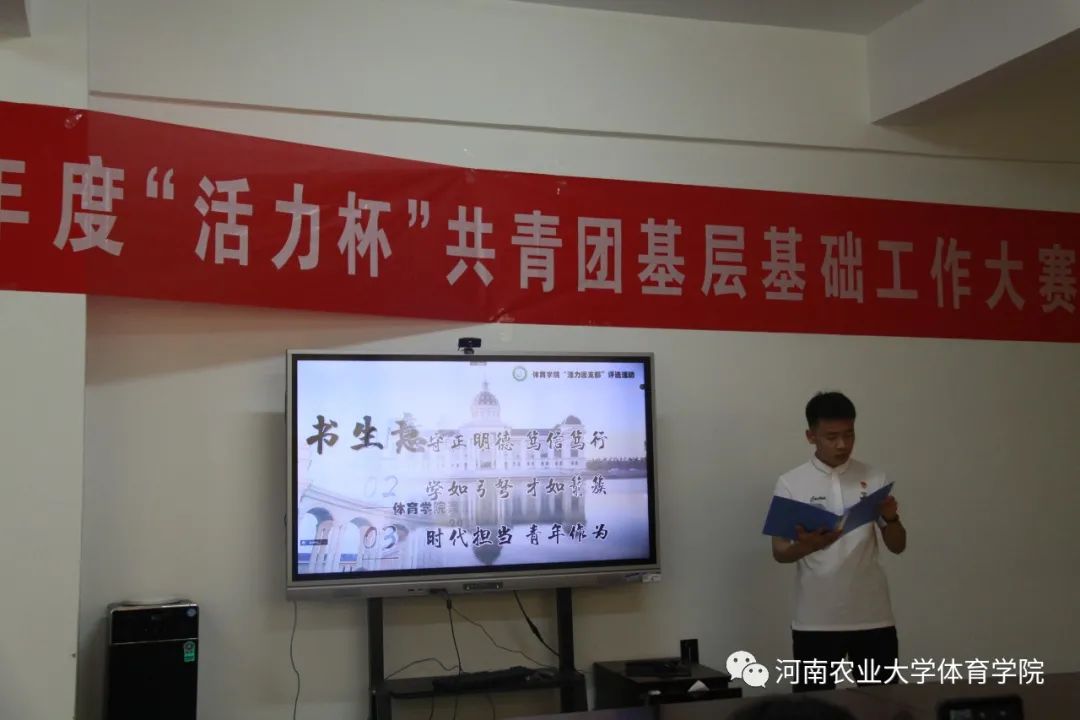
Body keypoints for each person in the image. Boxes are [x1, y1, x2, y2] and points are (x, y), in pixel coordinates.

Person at [770, 391, 907, 692]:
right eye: (831, 437)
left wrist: (892, 518)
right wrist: (809, 545)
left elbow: (898, 546)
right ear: (811, 436)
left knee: (885, 705)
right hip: (815, 620)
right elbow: (779, 552)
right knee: (812, 708)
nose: (842, 444)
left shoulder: (875, 477)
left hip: (873, 617)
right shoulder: (791, 483)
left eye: (849, 434)